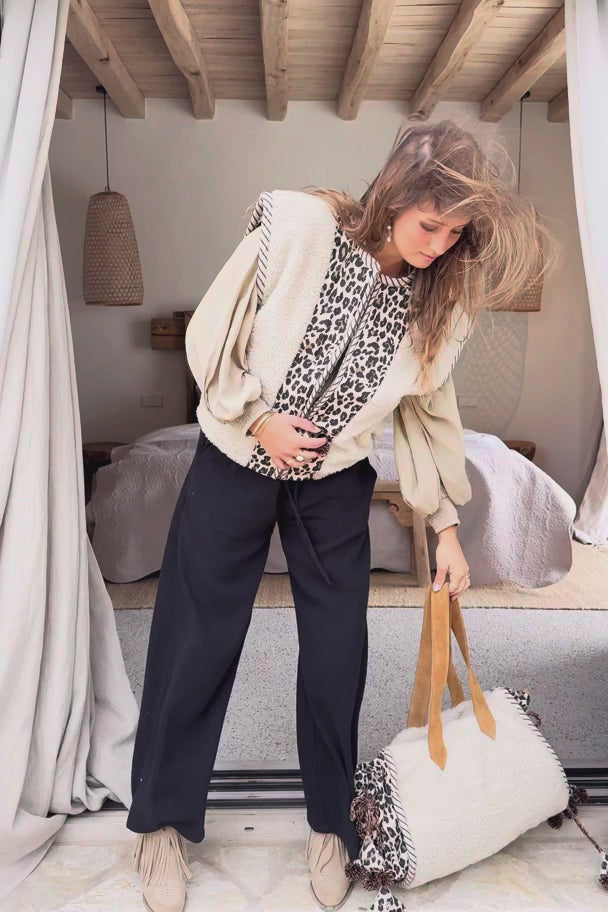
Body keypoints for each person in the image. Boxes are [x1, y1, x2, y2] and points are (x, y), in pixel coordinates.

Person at [126, 120, 551, 912]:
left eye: (454, 235)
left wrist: (446, 527)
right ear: (396, 193)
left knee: (336, 651)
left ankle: (331, 824)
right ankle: (161, 823)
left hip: (333, 479)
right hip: (236, 456)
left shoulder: (439, 304)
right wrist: (258, 419)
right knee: (196, 641)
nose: (437, 246)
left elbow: (428, 414)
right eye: (430, 224)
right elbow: (214, 331)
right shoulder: (297, 226)